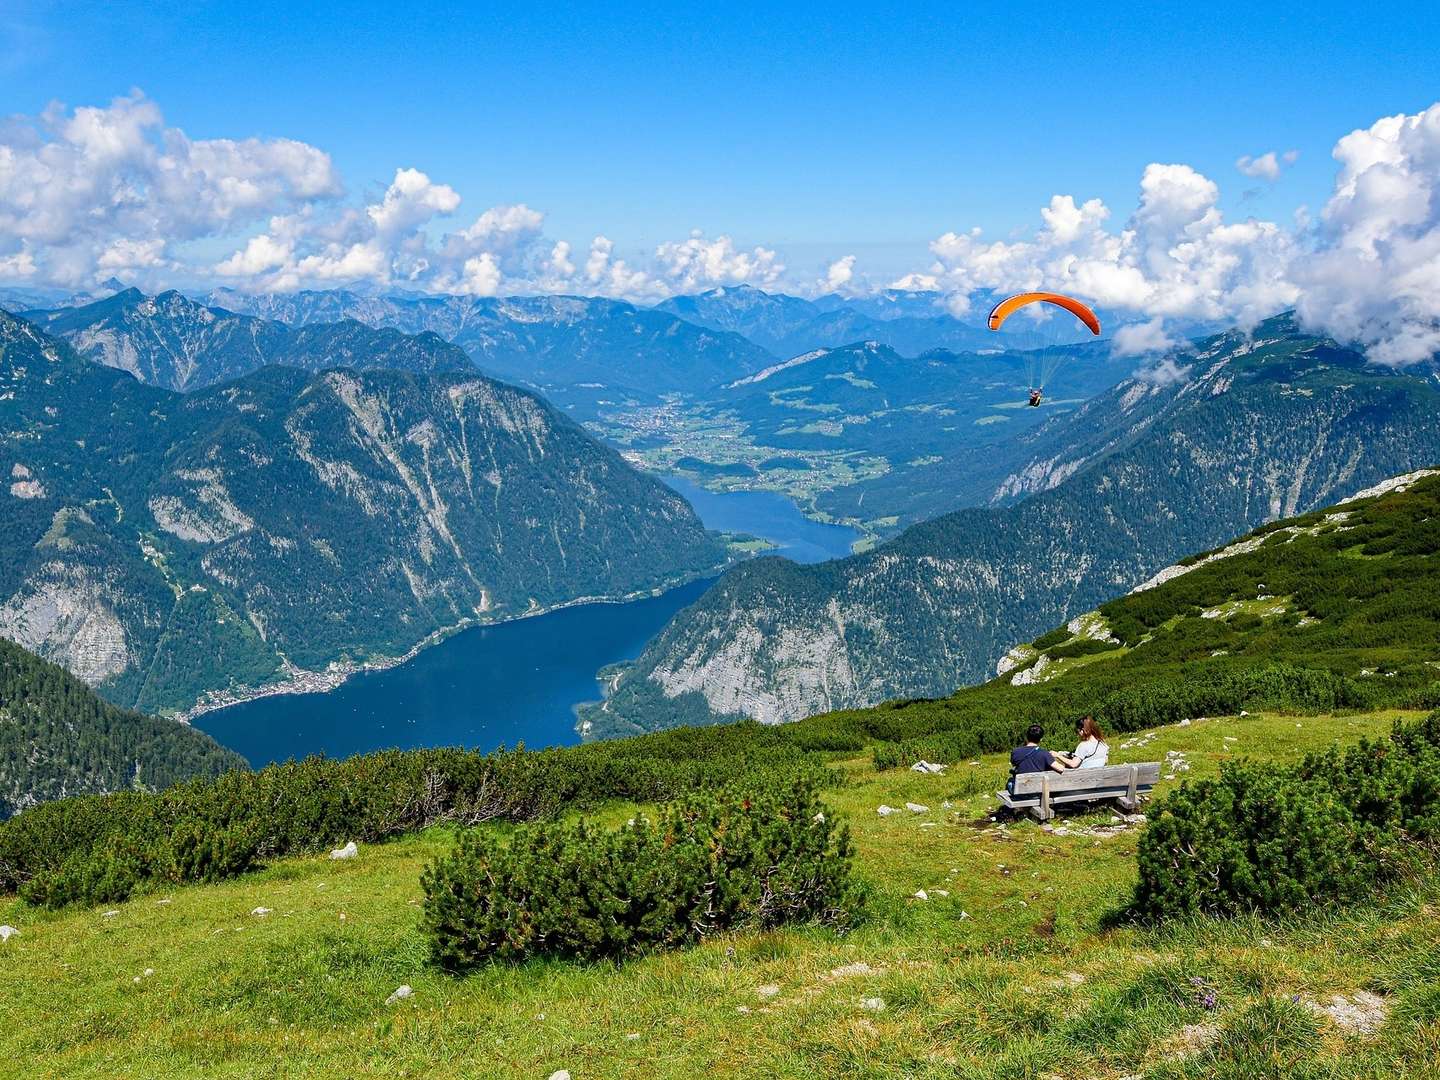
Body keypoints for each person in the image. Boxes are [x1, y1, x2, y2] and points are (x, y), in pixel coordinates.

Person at [1008, 723, 1066, 791]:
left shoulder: (1015, 751)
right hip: (1038, 793)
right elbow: (1060, 769)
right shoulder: (1044, 753)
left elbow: (1013, 764)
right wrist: (1059, 757)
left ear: (1026, 737)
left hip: (1020, 793)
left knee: (1010, 781)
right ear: (1041, 739)